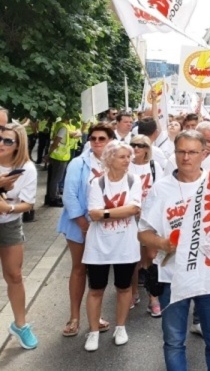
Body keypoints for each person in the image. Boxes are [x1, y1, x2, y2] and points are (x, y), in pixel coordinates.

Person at [138, 130, 210, 371]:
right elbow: (143, 233)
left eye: (192, 152)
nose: (186, 157)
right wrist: (162, 244)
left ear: (203, 154)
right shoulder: (161, 189)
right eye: (181, 151)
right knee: (174, 341)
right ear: (175, 153)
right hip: (172, 277)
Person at [82, 141, 141, 351]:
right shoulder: (97, 183)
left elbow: (134, 208)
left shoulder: (134, 180)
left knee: (124, 287)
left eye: (128, 157)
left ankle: (121, 327)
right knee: (96, 289)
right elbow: (93, 213)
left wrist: (105, 213)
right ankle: (93, 331)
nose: (127, 161)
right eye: (122, 157)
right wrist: (118, 211)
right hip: (99, 246)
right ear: (110, 159)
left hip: (126, 245)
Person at [57, 123, 115, 337]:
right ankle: (74, 317)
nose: (97, 142)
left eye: (102, 138)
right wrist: (83, 224)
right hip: (78, 224)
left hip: (106, 226)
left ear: (110, 140)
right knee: (79, 269)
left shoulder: (116, 162)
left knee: (98, 272)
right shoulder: (78, 163)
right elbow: (69, 196)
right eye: (93, 138)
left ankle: (95, 315)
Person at [0, 123, 39, 349]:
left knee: (14, 275)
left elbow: (28, 203)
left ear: (18, 145)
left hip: (10, 224)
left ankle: (20, 325)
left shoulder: (26, 168)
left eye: (8, 141)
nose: (1, 144)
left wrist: (9, 209)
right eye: (0, 138)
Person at [128, 134, 164, 316]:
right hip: (130, 217)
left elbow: (161, 192)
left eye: (140, 145)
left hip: (150, 218)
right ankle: (133, 293)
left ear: (147, 148)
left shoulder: (154, 166)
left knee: (150, 256)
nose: (136, 148)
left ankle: (153, 297)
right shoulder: (126, 165)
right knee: (133, 258)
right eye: (133, 144)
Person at [45, 118, 80, 207]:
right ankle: (53, 198)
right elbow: (56, 142)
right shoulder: (63, 128)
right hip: (60, 157)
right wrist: (48, 154)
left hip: (57, 156)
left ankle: (53, 196)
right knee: (56, 179)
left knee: (55, 179)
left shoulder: (59, 125)